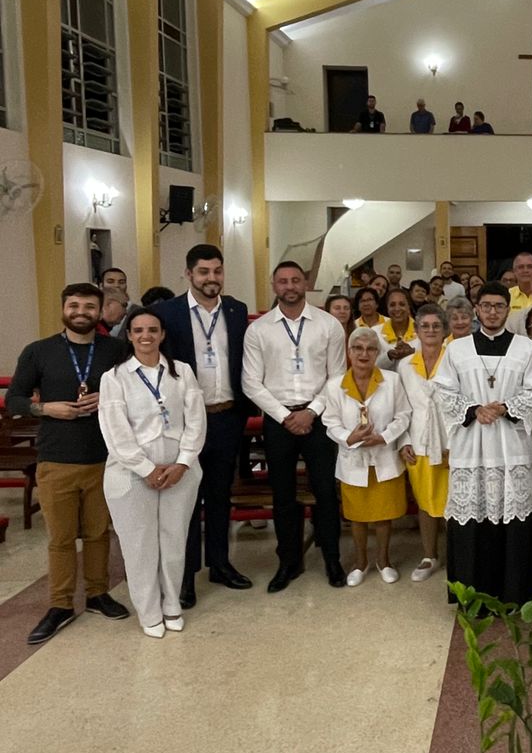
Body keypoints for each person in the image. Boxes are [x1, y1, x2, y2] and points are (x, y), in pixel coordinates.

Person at [10, 283, 129, 645]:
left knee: (97, 533)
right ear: (63, 309)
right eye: (74, 305)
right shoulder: (39, 351)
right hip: (56, 459)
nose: (81, 312)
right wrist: (46, 408)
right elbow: (14, 399)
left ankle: (97, 594)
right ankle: (60, 604)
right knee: (61, 538)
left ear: (100, 311)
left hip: (104, 458)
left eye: (89, 306)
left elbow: (136, 389)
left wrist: (108, 396)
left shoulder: (116, 350)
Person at [433, 282, 532, 603]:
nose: (492, 312)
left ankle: (514, 593)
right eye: (486, 306)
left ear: (508, 310)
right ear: (477, 309)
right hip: (472, 445)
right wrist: (473, 410)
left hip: (511, 445)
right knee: (473, 516)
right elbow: (442, 390)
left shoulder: (525, 348)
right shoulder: (457, 349)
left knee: (513, 515)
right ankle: (473, 596)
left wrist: (505, 407)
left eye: (499, 306)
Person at [151, 243, 252, 608]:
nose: (212, 278)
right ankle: (186, 575)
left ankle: (220, 564)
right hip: (186, 422)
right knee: (187, 500)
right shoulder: (166, 312)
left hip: (227, 416)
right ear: (189, 274)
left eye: (217, 271)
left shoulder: (236, 310)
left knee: (221, 495)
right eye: (204, 272)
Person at [242, 260, 349, 591]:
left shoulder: (328, 325)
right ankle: (288, 561)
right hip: (279, 421)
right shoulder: (259, 330)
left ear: (305, 284)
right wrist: (284, 415)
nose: (289, 286)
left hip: (320, 417)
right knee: (283, 493)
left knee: (325, 491)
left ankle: (332, 558)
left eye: (295, 280)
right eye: (283, 281)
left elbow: (337, 376)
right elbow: (250, 381)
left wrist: (311, 412)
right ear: (274, 286)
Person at [97, 311, 206, 637]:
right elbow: (115, 431)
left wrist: (183, 463)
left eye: (153, 330)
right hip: (131, 473)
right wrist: (145, 469)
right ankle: (149, 612)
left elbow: (196, 421)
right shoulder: (114, 377)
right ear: (129, 335)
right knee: (139, 546)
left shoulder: (181, 372)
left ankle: (172, 603)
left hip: (179, 472)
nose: (146, 336)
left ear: (162, 334)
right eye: (139, 330)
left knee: (174, 541)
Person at [323, 327, 411, 586]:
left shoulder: (392, 381)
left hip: (384, 456)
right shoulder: (334, 385)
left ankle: (383, 561)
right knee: (357, 515)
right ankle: (360, 562)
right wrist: (349, 438)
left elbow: (404, 415)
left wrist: (384, 437)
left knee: (384, 514)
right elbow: (330, 421)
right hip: (353, 460)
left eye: (371, 349)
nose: (364, 354)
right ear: (349, 352)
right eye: (358, 348)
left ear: (377, 353)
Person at [400, 304, 453, 581]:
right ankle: (429, 556)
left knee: (453, 502)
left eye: (436, 326)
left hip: (449, 444)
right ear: (417, 331)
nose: (430, 330)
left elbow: (463, 406)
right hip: (418, 442)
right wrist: (404, 441)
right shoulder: (405, 365)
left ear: (445, 331)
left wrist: (457, 445)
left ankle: (457, 555)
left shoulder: (455, 361)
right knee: (425, 501)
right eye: (425, 326)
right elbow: (401, 407)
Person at [376, 287, 417, 367]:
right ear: (387, 308)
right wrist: (388, 356)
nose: (397, 309)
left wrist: (412, 352)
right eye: (392, 305)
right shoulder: (375, 332)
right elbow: (370, 366)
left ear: (409, 307)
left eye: (402, 304)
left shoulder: (423, 331)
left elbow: (432, 360)